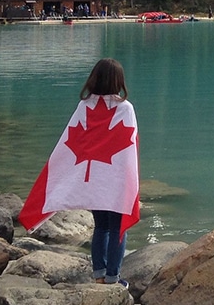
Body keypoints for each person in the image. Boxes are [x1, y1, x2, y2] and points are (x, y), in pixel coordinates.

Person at [19, 58, 140, 286]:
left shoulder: (84, 106)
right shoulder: (125, 109)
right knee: (117, 228)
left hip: (92, 177)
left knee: (101, 226)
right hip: (114, 178)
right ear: (118, 81)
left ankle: (99, 275)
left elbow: (70, 143)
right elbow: (129, 149)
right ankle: (114, 278)